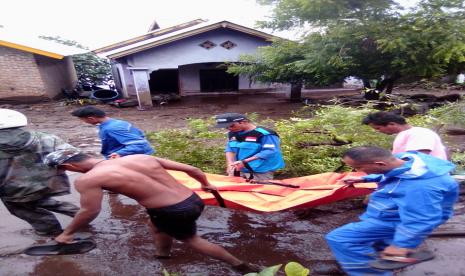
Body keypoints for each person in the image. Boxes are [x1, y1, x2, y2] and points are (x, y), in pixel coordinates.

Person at [43, 149, 259, 273]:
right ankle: (163, 255)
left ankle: (241, 266)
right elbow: (193, 169)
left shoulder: (87, 179)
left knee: (192, 239)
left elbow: (90, 211)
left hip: (172, 210)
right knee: (156, 225)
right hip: (193, 199)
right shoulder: (139, 157)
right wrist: (205, 185)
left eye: (62, 170)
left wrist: (67, 233)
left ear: (69, 167)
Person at [325, 146, 458, 276]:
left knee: (340, 238)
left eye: (359, 167)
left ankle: (372, 271)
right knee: (379, 245)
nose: (356, 170)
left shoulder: (419, 188)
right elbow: (392, 174)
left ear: (380, 164)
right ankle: (388, 257)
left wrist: (401, 245)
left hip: (398, 219)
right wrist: (366, 178)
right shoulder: (404, 159)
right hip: (396, 211)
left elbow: (421, 219)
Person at [0, 109, 79, 236]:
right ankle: (79, 214)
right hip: (44, 184)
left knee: (25, 210)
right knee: (41, 200)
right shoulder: (45, 138)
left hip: (11, 191)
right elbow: (73, 154)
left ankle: (51, 231)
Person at [215, 113, 285, 181]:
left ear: (244, 122)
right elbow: (230, 148)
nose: (229, 128)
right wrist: (229, 163)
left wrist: (245, 162)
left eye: (232, 125)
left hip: (260, 171)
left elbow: (270, 151)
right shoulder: (232, 133)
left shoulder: (265, 134)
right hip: (238, 168)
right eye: (226, 127)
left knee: (257, 190)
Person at [71, 106, 154, 159]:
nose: (84, 122)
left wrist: (119, 153)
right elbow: (140, 134)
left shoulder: (111, 128)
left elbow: (140, 144)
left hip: (132, 159)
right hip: (137, 156)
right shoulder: (116, 122)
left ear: (91, 119)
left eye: (83, 120)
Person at [362, 111, 448, 159]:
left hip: (428, 180)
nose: (377, 131)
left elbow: (417, 159)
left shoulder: (420, 133)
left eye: (378, 128)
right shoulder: (403, 134)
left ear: (391, 124)